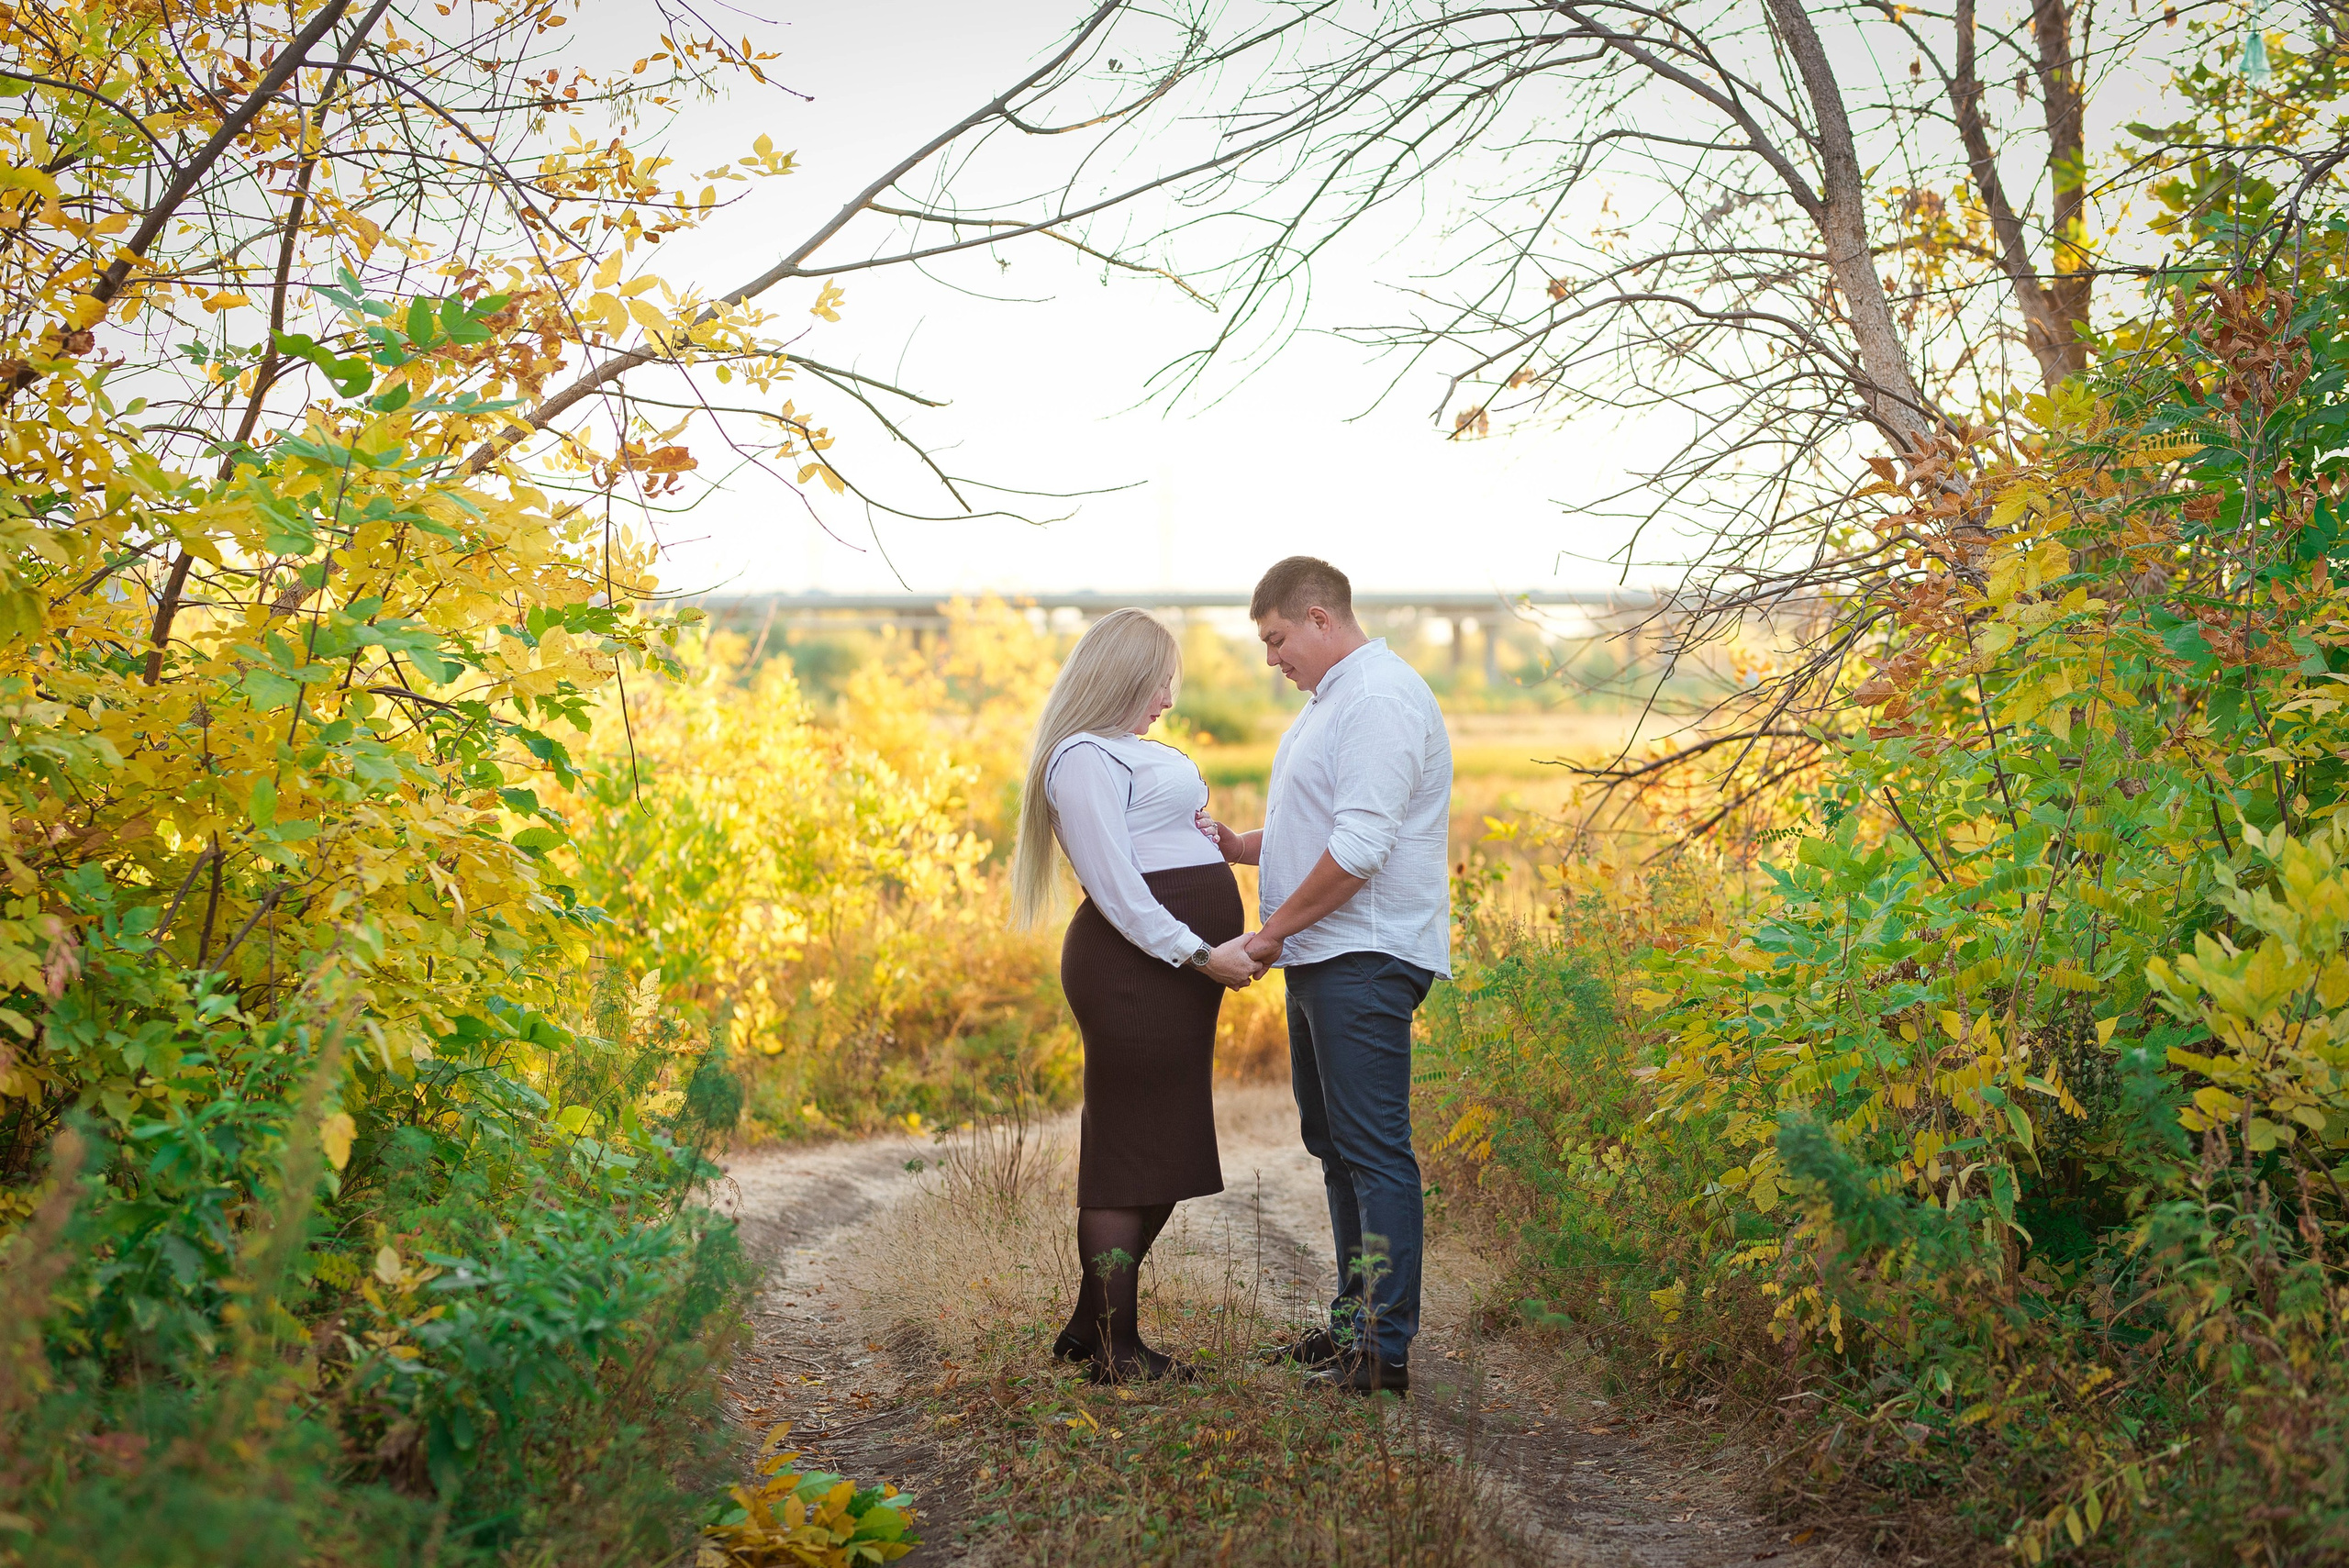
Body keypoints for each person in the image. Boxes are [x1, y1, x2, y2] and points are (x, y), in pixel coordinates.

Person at [1198, 557, 1452, 1396]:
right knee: (1337, 1148)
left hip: (1364, 956)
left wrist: (1268, 933)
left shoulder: (1377, 697)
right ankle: (1354, 1324)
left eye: (1275, 639)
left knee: (1374, 1152)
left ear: (1317, 617)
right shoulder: (1329, 703)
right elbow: (1319, 828)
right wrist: (1243, 847)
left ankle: (1382, 1349)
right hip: (1324, 956)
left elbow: (1361, 847)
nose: (1272, 658)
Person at [1011, 607, 1275, 1383]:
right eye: (1160, 678)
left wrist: (1215, 843)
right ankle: (1116, 1351)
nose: (1167, 695)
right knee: (1128, 1154)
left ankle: (1092, 1319)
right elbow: (1117, 888)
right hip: (1137, 969)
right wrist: (1200, 952)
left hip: (1173, 975)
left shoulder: (1129, 752)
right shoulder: (1080, 757)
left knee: (1164, 1145)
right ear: (1123, 672)